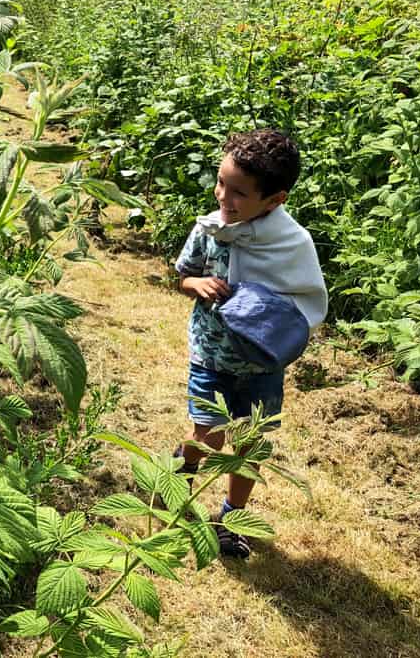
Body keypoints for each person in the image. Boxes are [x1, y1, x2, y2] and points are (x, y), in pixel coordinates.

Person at [173, 129, 328, 558]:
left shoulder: (291, 244)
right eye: (221, 183)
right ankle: (178, 475)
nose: (224, 196)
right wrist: (197, 284)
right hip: (212, 355)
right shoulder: (210, 229)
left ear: (274, 200)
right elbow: (184, 275)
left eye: (239, 192)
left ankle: (228, 519)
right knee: (208, 433)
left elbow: (305, 299)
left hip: (261, 368)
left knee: (249, 444)